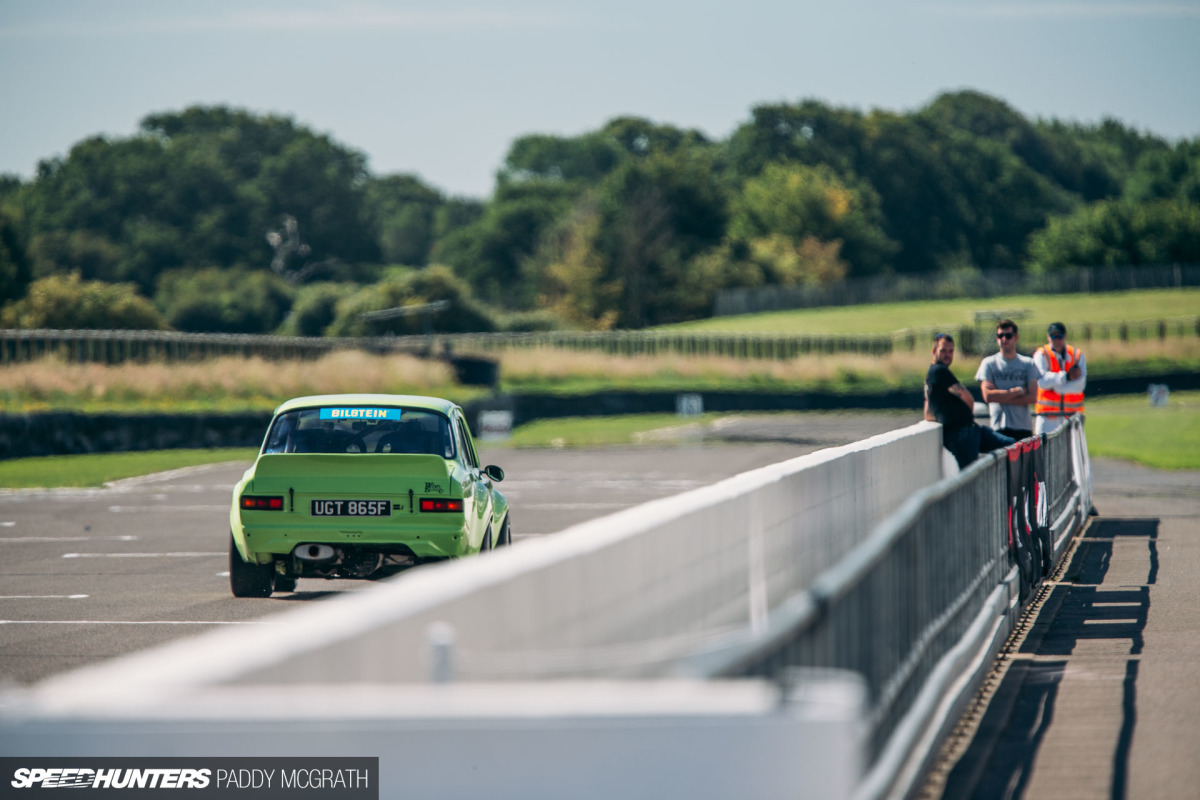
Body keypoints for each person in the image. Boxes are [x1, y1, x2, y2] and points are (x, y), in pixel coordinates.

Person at [924, 333, 1015, 468]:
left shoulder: (931, 375)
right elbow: (968, 398)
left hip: (968, 431)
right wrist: (969, 418)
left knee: (1013, 445)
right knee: (971, 473)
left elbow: (928, 406)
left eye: (950, 351)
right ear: (934, 351)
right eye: (943, 350)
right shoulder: (939, 371)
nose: (947, 355)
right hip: (962, 433)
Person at [974, 319, 1038, 440]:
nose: (1004, 339)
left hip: (1022, 427)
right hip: (998, 427)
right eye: (1000, 336)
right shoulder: (989, 364)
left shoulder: (1028, 364)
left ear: (1016, 338)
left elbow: (1032, 397)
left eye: (1008, 336)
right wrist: (1017, 391)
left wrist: (1000, 397)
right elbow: (988, 397)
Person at [1033, 322, 1086, 435]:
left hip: (1072, 417)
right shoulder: (1041, 354)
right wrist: (1066, 377)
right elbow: (1042, 382)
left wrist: (1056, 387)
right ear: (1048, 337)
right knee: (1043, 451)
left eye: (1059, 336)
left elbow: (1080, 386)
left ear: (1065, 336)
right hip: (1047, 417)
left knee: (1072, 452)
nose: (1056, 339)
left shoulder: (1077, 355)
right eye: (1053, 336)